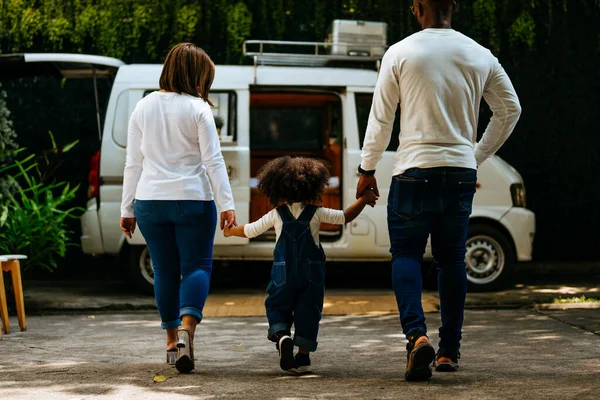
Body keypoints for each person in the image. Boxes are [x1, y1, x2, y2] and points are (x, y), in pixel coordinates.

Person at [356, 0, 521, 381]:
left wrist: (366, 169)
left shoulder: (400, 52)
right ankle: (448, 351)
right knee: (450, 261)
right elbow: (510, 109)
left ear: (416, 7)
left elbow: (381, 117)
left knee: (407, 256)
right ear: (454, 7)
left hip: (412, 170)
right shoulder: (481, 55)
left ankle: (416, 337)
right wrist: (475, 155)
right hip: (460, 173)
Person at [119, 43, 236, 373]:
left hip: (150, 202)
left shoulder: (142, 107)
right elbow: (213, 161)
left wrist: (127, 209)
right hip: (192, 200)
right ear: (195, 75)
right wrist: (226, 205)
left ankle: (171, 342)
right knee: (197, 267)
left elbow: (133, 163)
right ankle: (188, 330)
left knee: (164, 269)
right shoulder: (199, 109)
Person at [225, 156, 377, 374]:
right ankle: (303, 358)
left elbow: (250, 230)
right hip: (310, 275)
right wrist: (364, 199)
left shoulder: (276, 215)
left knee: (276, 306)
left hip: (283, 273)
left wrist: (230, 231)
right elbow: (345, 217)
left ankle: (282, 335)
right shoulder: (316, 213)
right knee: (309, 310)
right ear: (313, 187)